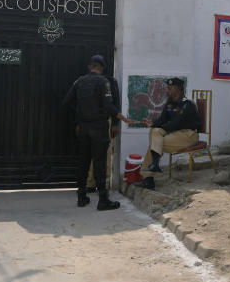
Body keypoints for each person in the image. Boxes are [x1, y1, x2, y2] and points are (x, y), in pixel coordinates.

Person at [62, 55, 132, 210]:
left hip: (83, 128)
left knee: (83, 162)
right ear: (101, 68)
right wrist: (120, 117)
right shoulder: (104, 82)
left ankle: (81, 197)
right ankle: (103, 200)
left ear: (89, 67)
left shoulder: (79, 81)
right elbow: (108, 105)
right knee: (100, 163)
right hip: (99, 128)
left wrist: (78, 118)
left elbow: (66, 102)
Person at [138, 78, 199, 187]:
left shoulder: (187, 104)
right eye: (167, 88)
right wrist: (152, 124)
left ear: (179, 89)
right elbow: (162, 120)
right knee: (155, 132)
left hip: (188, 135)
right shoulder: (169, 103)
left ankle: (149, 178)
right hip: (174, 133)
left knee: (156, 143)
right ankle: (154, 167)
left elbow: (174, 124)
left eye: (170, 88)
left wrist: (156, 126)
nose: (167, 90)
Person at [85, 55, 121, 193]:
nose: (95, 69)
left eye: (98, 66)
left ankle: (103, 183)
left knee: (104, 155)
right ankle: (90, 183)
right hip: (89, 122)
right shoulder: (84, 81)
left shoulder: (110, 81)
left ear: (102, 68)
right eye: (93, 66)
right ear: (89, 67)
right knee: (90, 153)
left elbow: (115, 103)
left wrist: (115, 123)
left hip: (106, 121)